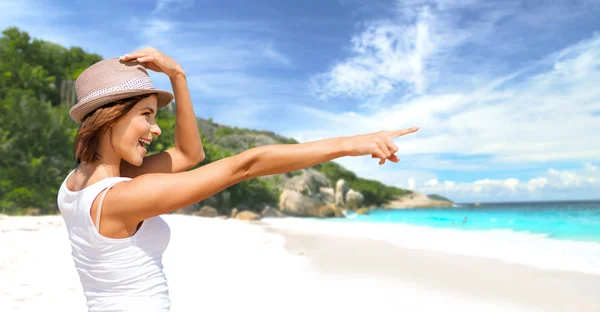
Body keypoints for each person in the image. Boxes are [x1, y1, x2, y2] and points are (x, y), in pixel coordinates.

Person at [57, 47, 419, 311]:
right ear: (110, 117)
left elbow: (188, 156)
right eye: (147, 115)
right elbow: (245, 165)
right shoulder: (123, 197)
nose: (154, 129)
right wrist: (349, 143)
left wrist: (178, 78)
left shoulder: (75, 184)